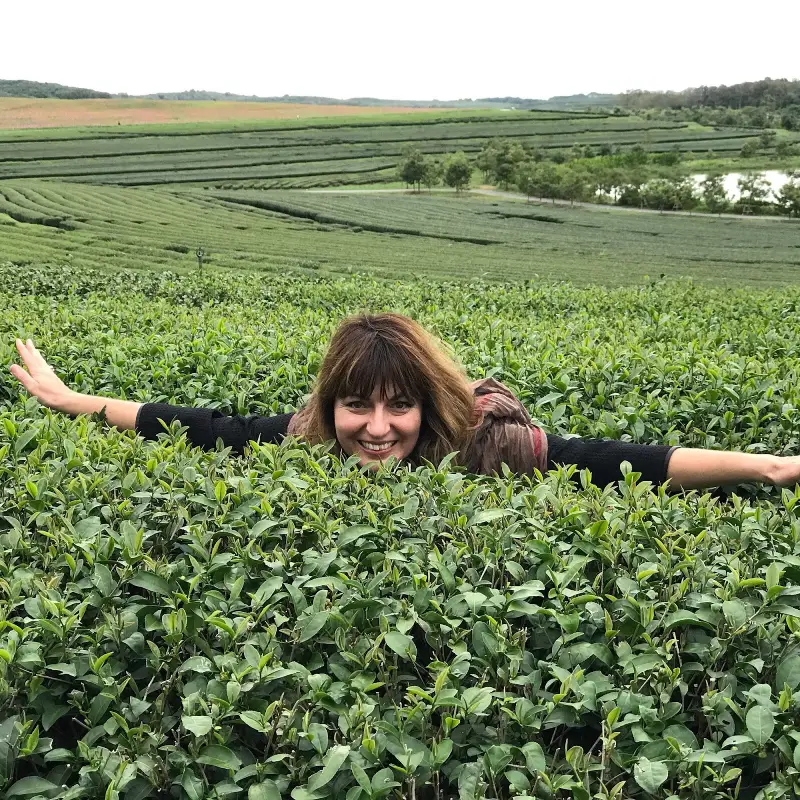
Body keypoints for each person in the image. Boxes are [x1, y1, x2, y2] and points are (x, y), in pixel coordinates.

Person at [9, 313, 800, 491]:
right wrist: (73, 399)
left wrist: (765, 468)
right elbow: (197, 426)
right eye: (357, 407)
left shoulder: (488, 444)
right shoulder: (306, 437)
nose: (377, 429)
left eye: (399, 408)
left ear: (429, 406)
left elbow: (615, 461)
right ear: (330, 405)